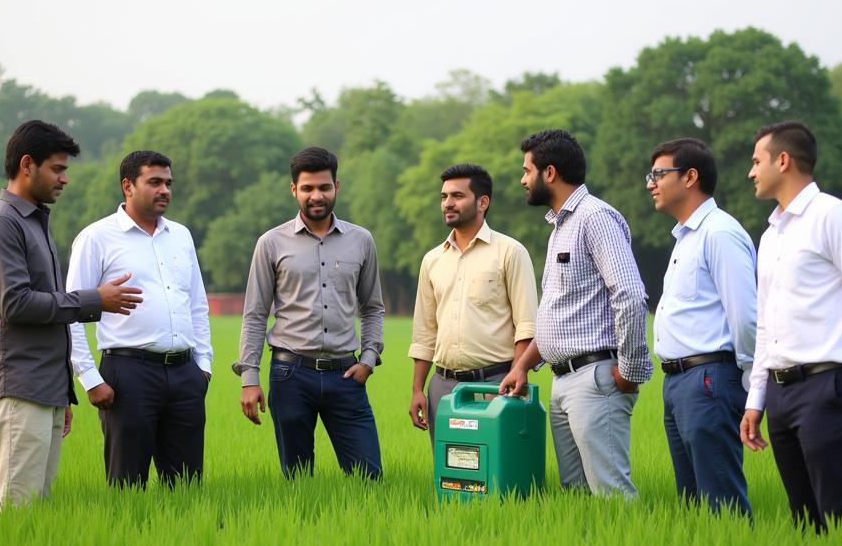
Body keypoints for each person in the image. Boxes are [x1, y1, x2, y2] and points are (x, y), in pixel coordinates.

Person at [0, 120, 142, 513]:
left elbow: (44, 307)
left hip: (42, 388)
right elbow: (16, 304)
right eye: (57, 169)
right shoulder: (1, 224)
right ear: (27, 165)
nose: (65, 179)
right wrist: (93, 299)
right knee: (15, 512)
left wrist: (61, 394)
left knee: (36, 516)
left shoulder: (34, 223)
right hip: (17, 386)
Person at [740, 121, 842, 531]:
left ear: (783, 160)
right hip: (781, 394)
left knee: (841, 518)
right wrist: (757, 399)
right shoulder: (770, 236)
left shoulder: (834, 216)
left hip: (829, 388)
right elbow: (767, 323)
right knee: (805, 523)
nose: (751, 172)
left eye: (757, 161)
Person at [500, 129, 652, 497]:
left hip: (596, 379)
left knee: (611, 494)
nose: (523, 180)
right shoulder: (560, 228)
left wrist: (629, 373)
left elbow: (630, 295)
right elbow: (561, 317)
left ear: (549, 173)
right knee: (578, 497)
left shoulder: (595, 217)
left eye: (527, 170)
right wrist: (521, 366)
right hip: (563, 381)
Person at [65, 150, 213, 488]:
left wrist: (203, 366)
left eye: (168, 183)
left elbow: (197, 305)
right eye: (155, 182)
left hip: (185, 375)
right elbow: (70, 312)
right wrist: (89, 377)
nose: (165, 190)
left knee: (187, 487)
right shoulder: (96, 238)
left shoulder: (181, 235)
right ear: (128, 185)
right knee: (127, 485)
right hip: (128, 375)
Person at [235, 146, 384, 478]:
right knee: (298, 480)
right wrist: (249, 378)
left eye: (324, 187)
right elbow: (255, 314)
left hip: (347, 376)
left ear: (336, 187)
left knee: (369, 477)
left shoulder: (361, 241)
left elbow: (372, 308)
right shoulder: (271, 243)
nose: (316, 195)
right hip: (290, 374)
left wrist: (368, 359)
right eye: (307, 188)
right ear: (294, 190)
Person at [647, 137, 756, 515]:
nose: (651, 183)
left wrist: (747, 383)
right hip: (678, 383)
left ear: (690, 176)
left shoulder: (720, 233)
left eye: (659, 174)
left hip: (709, 379)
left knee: (720, 500)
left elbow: (745, 315)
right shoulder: (686, 238)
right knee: (693, 505)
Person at [408, 163, 538, 443]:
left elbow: (526, 324)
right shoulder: (432, 260)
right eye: (443, 197)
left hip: (495, 383)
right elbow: (425, 332)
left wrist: (518, 372)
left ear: (483, 202)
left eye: (457, 196)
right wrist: (418, 389)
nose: (447, 204)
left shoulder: (510, 252)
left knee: (496, 471)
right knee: (450, 471)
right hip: (442, 387)